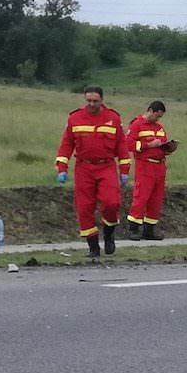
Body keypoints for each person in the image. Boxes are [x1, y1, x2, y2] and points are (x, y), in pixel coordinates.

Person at [55, 86, 131, 257]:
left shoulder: (113, 118)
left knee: (111, 203)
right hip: (83, 168)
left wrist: (124, 169)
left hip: (106, 167)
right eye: (88, 100)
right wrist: (62, 167)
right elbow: (66, 144)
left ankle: (109, 233)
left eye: (95, 101)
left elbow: (121, 145)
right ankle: (93, 246)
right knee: (84, 208)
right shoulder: (75, 118)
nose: (91, 104)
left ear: (102, 100)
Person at [125, 100, 178, 241]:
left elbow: (162, 142)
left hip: (159, 166)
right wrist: (148, 145)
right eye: (157, 116)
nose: (158, 119)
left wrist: (168, 148)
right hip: (145, 166)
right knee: (141, 197)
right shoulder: (137, 125)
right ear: (150, 111)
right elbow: (128, 144)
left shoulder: (159, 128)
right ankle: (134, 228)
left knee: (156, 199)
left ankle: (149, 229)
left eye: (160, 117)